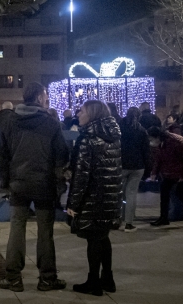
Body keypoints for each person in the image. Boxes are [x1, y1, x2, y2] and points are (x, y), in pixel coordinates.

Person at [0, 82, 69, 292]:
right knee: (45, 231)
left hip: (18, 183)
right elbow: (62, 155)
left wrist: (5, 180)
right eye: (45, 95)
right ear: (37, 98)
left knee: (17, 227)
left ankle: (13, 278)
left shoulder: (9, 122)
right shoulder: (51, 123)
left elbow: (0, 156)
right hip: (45, 184)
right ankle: (47, 278)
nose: (46, 99)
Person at [66, 100, 122, 296]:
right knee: (103, 237)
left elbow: (81, 175)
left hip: (93, 197)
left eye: (81, 112)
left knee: (93, 240)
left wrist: (73, 204)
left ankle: (93, 282)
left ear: (91, 114)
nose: (77, 115)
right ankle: (107, 278)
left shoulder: (88, 139)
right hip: (110, 195)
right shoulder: (112, 136)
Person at [147, 126, 183, 227]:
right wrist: (154, 173)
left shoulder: (175, 142)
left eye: (151, 139)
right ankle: (164, 218)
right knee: (164, 190)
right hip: (173, 171)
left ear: (157, 136)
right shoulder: (161, 143)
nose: (150, 142)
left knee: (181, 192)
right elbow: (158, 159)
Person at [119, 107, 151, 232]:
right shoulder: (142, 131)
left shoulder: (120, 128)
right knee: (131, 194)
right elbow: (146, 152)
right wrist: (148, 169)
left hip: (121, 165)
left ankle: (118, 219)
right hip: (137, 166)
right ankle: (129, 222)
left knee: (119, 194)